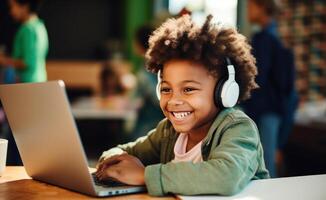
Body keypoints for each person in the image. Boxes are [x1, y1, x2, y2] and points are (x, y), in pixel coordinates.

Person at [95, 14, 269, 196]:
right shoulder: (168, 131)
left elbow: (226, 176)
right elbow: (125, 151)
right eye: (166, 89)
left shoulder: (238, 128)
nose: (173, 101)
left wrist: (144, 175)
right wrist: (110, 162)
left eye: (188, 90)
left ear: (224, 92)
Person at [242, 0, 297, 177]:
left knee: (264, 170)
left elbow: (264, 82)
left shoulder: (266, 40)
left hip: (265, 115)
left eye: (251, 6)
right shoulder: (274, 38)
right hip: (268, 114)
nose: (247, 11)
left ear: (262, 7)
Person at [0, 0, 48, 83]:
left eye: (13, 6)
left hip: (27, 83)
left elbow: (27, 62)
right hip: (40, 80)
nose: (11, 11)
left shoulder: (27, 29)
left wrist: (3, 60)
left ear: (25, 6)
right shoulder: (39, 25)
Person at [131, 25, 164, 139]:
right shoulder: (156, 62)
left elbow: (158, 98)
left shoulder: (148, 68)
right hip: (154, 123)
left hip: (151, 126)